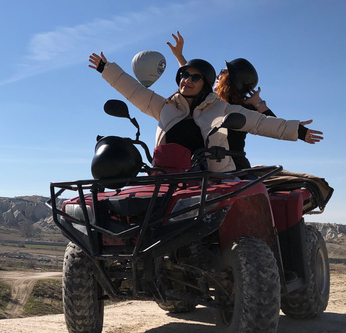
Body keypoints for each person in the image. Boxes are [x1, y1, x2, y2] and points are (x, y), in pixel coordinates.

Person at [165, 32, 333, 208]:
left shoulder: (239, 109)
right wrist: (180, 57)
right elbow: (194, 81)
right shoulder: (208, 104)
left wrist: (259, 104)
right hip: (202, 165)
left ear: (230, 80)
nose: (216, 76)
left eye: (222, 72)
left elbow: (268, 124)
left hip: (232, 167)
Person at [87, 51, 323, 174]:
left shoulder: (222, 109)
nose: (186, 80)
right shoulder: (164, 106)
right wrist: (105, 69)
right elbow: (134, 91)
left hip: (213, 180)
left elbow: (259, 123)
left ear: (206, 83)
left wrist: (298, 131)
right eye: (183, 75)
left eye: (194, 77)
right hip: (168, 178)